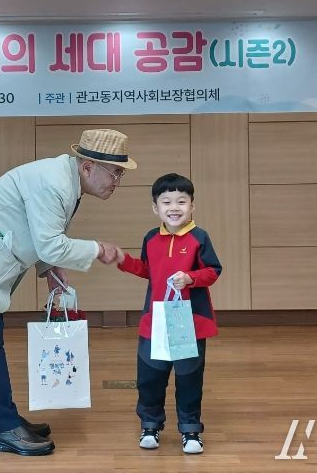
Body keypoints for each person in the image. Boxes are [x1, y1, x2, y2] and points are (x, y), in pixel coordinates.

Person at [0, 128, 137, 456]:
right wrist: (97, 249)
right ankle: (1, 428)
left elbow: (41, 232)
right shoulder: (54, 183)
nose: (117, 182)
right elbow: (50, 243)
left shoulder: (65, 179)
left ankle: (3, 417)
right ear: (88, 167)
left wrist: (49, 270)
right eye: (115, 173)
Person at [114, 173, 221, 455]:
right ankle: (150, 425)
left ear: (192, 206)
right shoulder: (151, 238)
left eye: (181, 201)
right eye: (166, 202)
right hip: (156, 321)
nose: (174, 207)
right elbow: (147, 270)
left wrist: (190, 278)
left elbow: (213, 271)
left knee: (189, 377)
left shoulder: (199, 237)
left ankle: (190, 429)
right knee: (150, 376)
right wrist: (123, 261)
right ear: (155, 208)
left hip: (188, 322)